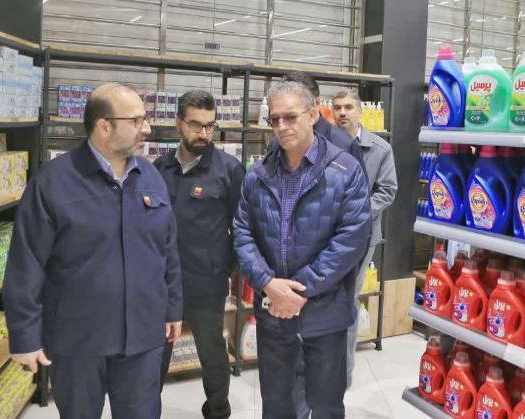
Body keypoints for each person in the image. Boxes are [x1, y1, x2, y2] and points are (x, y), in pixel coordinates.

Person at [3, 83, 183, 419]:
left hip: (143, 335)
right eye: (136, 120)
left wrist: (173, 308)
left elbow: (168, 250)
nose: (146, 128)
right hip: (78, 340)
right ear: (104, 126)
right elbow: (26, 264)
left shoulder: (151, 177)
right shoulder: (53, 183)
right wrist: (25, 336)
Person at [233, 81, 371, 419]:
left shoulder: (345, 170)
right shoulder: (258, 175)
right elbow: (242, 233)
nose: (282, 126)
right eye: (275, 119)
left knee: (325, 405)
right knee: (277, 406)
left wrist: (297, 291)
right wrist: (268, 283)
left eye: (290, 117)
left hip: (324, 314)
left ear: (312, 114)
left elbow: (351, 239)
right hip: (273, 314)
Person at [154, 90, 245, 419]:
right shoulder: (160, 168)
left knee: (212, 353)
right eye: (195, 125)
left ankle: (218, 411)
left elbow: (243, 229)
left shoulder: (229, 170)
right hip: (162, 284)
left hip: (206, 282)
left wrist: (221, 266)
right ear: (179, 123)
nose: (203, 133)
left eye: (209, 126)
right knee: (155, 355)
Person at [332, 89, 398, 387]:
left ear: (359, 111)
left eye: (348, 107)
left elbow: (387, 191)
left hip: (361, 238)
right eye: (337, 108)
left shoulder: (380, 149)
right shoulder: (322, 145)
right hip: (325, 237)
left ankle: (342, 377)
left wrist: (355, 213)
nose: (342, 113)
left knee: (347, 301)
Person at [279, 72, 367, 178]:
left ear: (316, 103)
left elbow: (358, 187)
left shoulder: (344, 144)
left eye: (295, 106)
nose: (283, 123)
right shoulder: (279, 142)